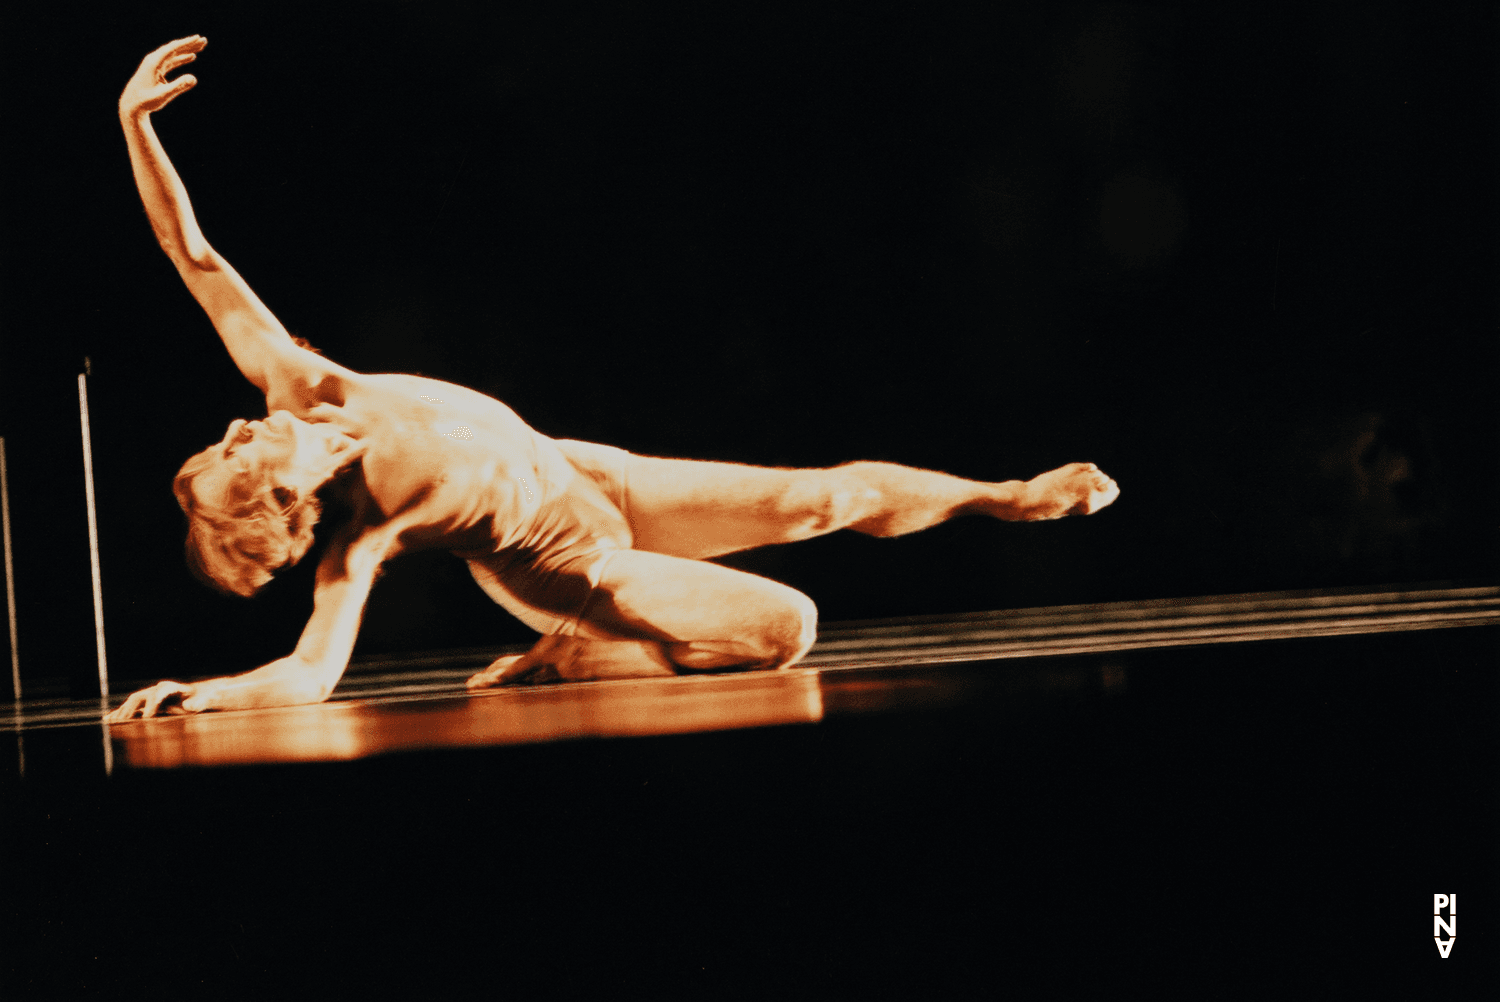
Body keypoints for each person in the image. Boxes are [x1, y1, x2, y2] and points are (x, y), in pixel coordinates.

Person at [105, 36, 1120, 722]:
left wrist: (134, 127)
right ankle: (581, 650)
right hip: (570, 558)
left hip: (593, 472)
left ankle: (1004, 496)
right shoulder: (368, 531)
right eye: (238, 450)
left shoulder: (302, 383)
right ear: (286, 494)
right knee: (786, 628)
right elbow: (312, 671)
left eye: (230, 434)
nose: (241, 425)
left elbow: (194, 258)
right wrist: (213, 695)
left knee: (830, 495)